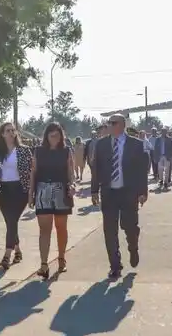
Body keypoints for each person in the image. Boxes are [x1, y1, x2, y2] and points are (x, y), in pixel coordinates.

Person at [90, 114, 150, 278]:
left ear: (122, 125)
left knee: (130, 226)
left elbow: (141, 170)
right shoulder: (101, 144)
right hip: (109, 192)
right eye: (108, 123)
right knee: (109, 230)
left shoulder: (136, 144)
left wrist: (143, 192)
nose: (109, 125)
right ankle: (115, 265)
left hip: (128, 192)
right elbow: (96, 168)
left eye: (113, 123)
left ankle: (133, 247)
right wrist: (94, 190)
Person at [29, 122, 76, 279]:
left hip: (61, 191)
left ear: (61, 136)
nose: (54, 138)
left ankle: (61, 258)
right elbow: (33, 173)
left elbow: (70, 172)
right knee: (44, 230)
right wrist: (31, 194)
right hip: (43, 191)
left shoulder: (66, 151)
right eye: (51, 135)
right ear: (46, 136)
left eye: (57, 135)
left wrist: (73, 184)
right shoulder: (38, 151)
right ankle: (44, 264)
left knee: (61, 228)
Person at [0, 121, 32, 270]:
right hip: (3, 190)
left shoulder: (24, 150)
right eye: (7, 130)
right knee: (10, 222)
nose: (11, 133)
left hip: (20, 190)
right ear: (2, 134)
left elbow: (31, 173)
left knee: (12, 220)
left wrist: (32, 193)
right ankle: (18, 251)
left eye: (13, 130)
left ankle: (7, 254)